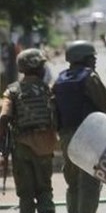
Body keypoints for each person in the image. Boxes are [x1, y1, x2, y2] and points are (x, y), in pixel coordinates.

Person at [52, 40, 106, 213]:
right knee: (89, 184)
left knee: (73, 184)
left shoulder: (60, 79)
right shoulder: (90, 77)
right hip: (89, 136)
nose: (94, 60)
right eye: (91, 57)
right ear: (82, 58)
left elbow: (53, 109)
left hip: (66, 137)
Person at [0, 49, 58, 213]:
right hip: (45, 146)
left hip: (21, 147)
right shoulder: (48, 89)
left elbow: (4, 117)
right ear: (38, 67)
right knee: (45, 191)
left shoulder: (12, 91)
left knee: (26, 195)